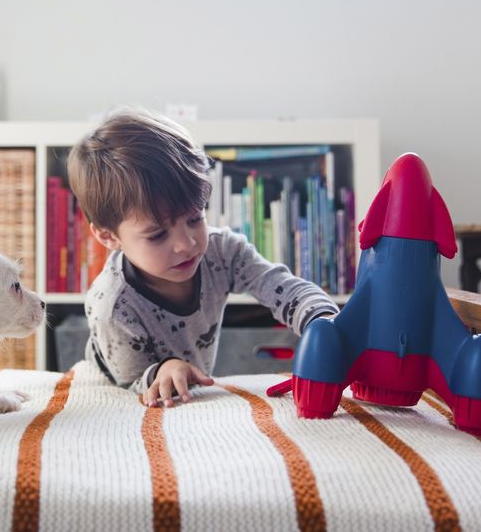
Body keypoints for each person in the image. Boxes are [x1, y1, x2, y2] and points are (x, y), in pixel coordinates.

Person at [67, 107, 339, 408]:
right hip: (112, 387)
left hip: (188, 386)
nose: (186, 244)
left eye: (195, 218)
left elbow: (281, 287)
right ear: (108, 237)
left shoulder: (221, 251)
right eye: (158, 235)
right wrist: (164, 369)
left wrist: (322, 320)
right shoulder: (113, 306)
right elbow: (129, 380)